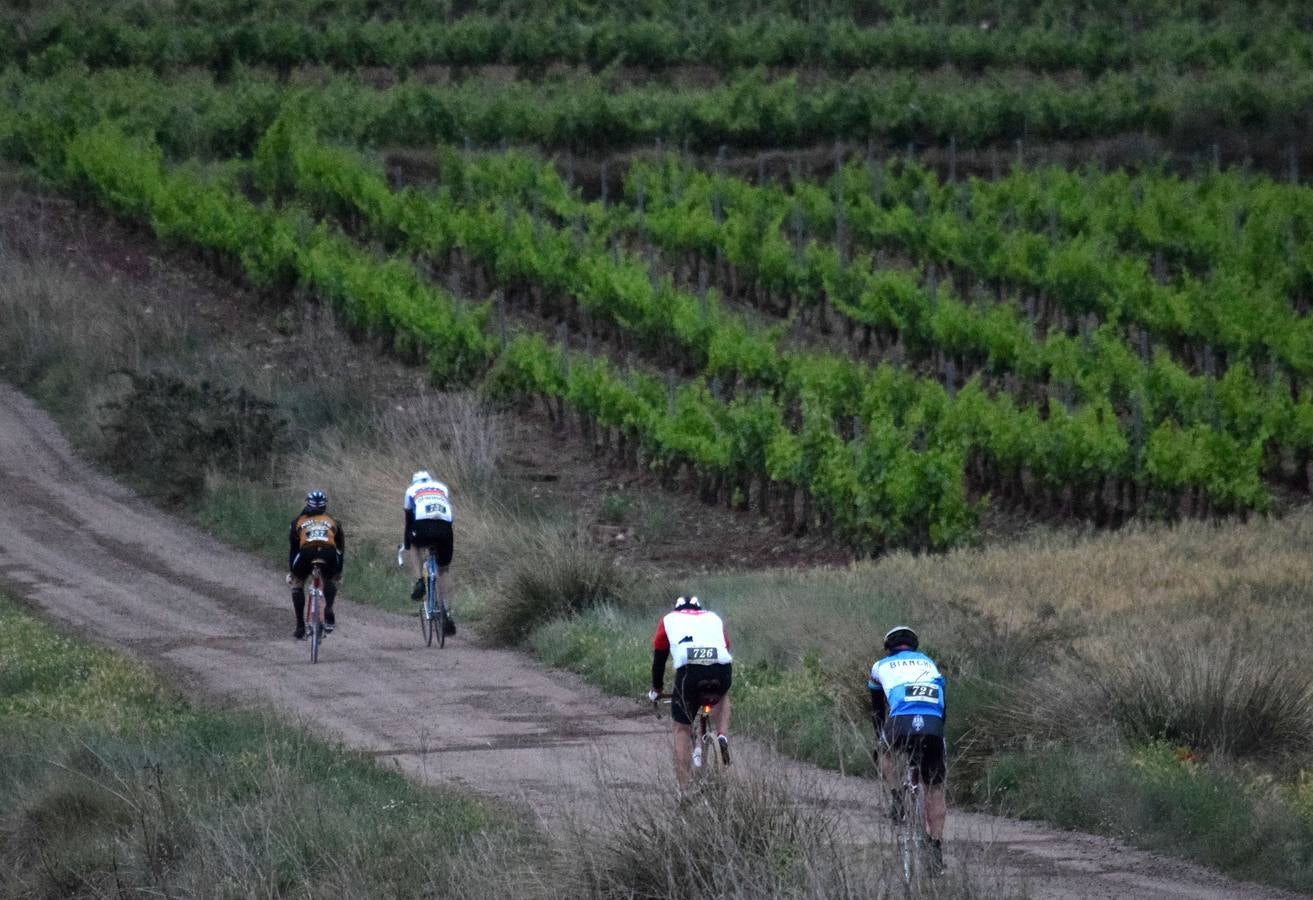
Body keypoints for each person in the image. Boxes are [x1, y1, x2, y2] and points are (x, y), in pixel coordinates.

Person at [868, 625, 948, 874]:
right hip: (933, 725)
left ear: (888, 647)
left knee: (884, 749)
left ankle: (896, 797)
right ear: (915, 646)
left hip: (900, 723)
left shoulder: (880, 666)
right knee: (934, 787)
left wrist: (879, 737)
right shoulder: (930, 664)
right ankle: (935, 850)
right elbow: (943, 707)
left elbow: (877, 710)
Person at [648, 595, 733, 789]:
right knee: (722, 696)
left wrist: (657, 688)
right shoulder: (713, 617)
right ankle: (721, 735)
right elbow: (725, 647)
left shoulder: (669, 619)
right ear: (699, 608)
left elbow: (659, 660)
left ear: (677, 609)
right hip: (722, 669)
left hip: (690, 673)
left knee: (681, 729)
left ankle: (684, 791)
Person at [287, 490, 345, 640]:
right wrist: (338, 571)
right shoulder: (334, 521)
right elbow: (340, 549)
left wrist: (293, 572)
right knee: (330, 579)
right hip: (329, 552)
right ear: (325, 507)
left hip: (307, 552)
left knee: (297, 584)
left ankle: (300, 626)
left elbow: (294, 549)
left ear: (307, 504)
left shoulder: (298, 521)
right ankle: (329, 608)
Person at [404, 470, 455, 635]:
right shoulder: (442, 488)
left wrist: (407, 542)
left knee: (413, 544)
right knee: (444, 569)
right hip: (444, 527)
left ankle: (419, 580)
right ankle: (446, 610)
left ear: (414, 482)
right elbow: (449, 514)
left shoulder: (411, 491)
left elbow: (408, 520)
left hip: (423, 526)